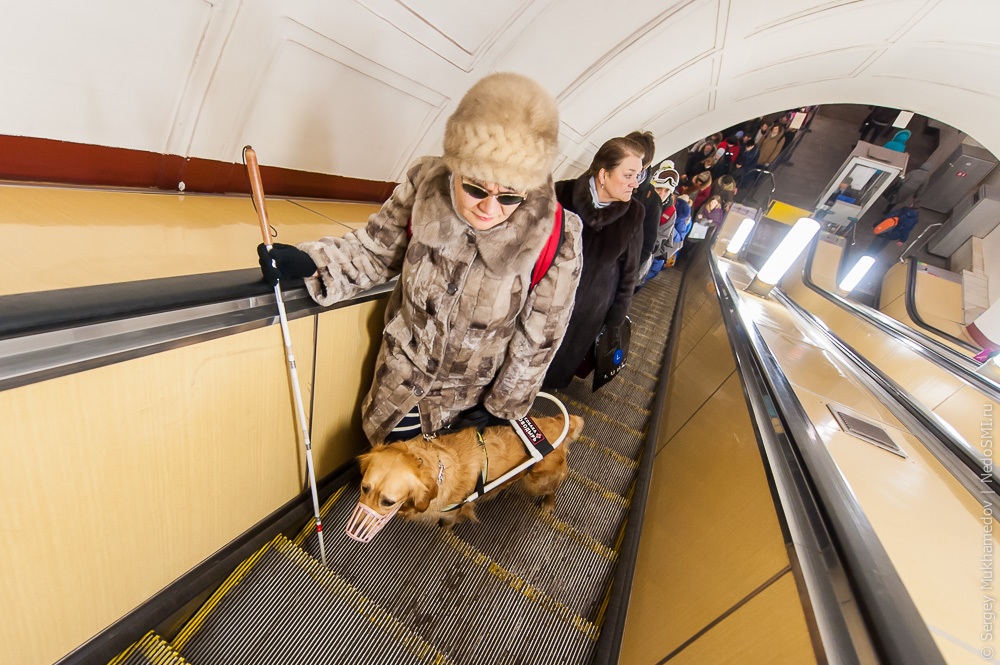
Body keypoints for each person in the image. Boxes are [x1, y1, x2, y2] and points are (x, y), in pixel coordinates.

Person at [257, 72, 584, 444]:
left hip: (467, 406)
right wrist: (313, 263)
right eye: (476, 188)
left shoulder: (557, 235)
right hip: (397, 387)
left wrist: (501, 408)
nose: (490, 208)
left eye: (510, 196)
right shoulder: (425, 184)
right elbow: (375, 250)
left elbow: (539, 339)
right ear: (454, 167)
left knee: (438, 482)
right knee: (385, 465)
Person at [543, 137, 646, 389]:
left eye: (638, 176)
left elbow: (629, 271)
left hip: (587, 313)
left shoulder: (634, 213)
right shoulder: (560, 193)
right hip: (543, 303)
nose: (635, 183)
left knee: (553, 375)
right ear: (603, 174)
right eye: (628, 175)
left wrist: (614, 318)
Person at [635, 163, 679, 287]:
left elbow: (659, 238)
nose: (662, 194)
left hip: (643, 257)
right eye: (659, 188)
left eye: (667, 191)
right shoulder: (641, 198)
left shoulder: (670, 212)